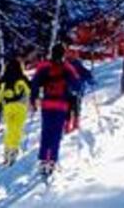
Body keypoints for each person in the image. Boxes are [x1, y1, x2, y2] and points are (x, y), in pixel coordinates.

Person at [30, 44, 80, 178]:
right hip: (61, 105)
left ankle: (42, 161)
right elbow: (76, 85)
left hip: (47, 104)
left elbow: (34, 84)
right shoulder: (67, 67)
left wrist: (33, 101)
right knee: (56, 133)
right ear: (64, 53)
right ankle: (52, 160)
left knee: (46, 131)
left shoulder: (43, 66)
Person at [0, 58, 31, 166]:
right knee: (16, 130)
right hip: (20, 106)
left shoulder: (5, 79)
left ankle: (7, 152)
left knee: (9, 130)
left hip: (8, 107)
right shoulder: (21, 78)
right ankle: (13, 152)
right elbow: (29, 90)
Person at [65, 52, 95, 133]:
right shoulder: (79, 66)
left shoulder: (65, 66)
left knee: (68, 109)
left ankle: (68, 126)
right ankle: (75, 124)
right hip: (77, 91)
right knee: (76, 108)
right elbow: (88, 76)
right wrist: (92, 81)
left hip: (67, 91)